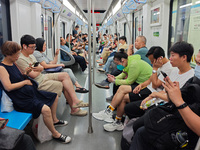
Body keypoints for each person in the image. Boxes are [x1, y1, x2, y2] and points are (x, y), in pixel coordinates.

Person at [0, 41, 71, 143]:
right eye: (16, 54)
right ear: (8, 54)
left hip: (29, 93)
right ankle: (55, 134)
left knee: (54, 96)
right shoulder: (2, 68)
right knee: (46, 109)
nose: (18, 56)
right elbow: (8, 87)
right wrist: (25, 82)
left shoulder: (13, 63)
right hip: (20, 98)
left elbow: (19, 76)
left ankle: (54, 120)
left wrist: (27, 72)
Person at [96, 46, 174, 132]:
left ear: (159, 58)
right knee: (122, 89)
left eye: (152, 61)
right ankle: (111, 113)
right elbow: (150, 79)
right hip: (148, 87)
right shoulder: (160, 65)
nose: (151, 63)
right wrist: (142, 85)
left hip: (153, 92)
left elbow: (155, 85)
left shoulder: (167, 68)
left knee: (124, 96)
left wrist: (155, 69)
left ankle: (116, 120)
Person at [125, 41, 195, 133]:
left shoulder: (191, 77)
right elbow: (165, 90)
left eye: (173, 55)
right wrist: (150, 96)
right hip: (159, 101)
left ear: (184, 57)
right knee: (131, 110)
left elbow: (174, 98)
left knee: (138, 125)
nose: (170, 58)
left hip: (169, 108)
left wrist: (154, 95)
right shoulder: (174, 71)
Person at [16, 34, 88, 116]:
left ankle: (76, 101)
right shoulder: (21, 59)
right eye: (32, 47)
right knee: (64, 84)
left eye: (34, 47)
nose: (33, 49)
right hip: (38, 81)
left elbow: (40, 67)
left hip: (42, 76)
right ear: (24, 46)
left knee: (65, 74)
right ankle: (74, 109)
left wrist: (40, 68)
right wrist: (40, 69)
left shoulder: (31, 55)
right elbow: (35, 74)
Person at [92, 49, 152, 128]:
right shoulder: (129, 61)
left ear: (122, 60)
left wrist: (114, 81)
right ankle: (115, 117)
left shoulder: (133, 64)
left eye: (117, 63)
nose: (117, 66)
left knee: (122, 88)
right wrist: (115, 78)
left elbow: (129, 81)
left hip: (145, 85)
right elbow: (124, 74)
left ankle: (110, 112)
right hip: (140, 83)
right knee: (122, 91)